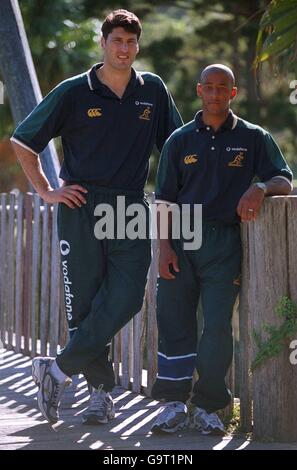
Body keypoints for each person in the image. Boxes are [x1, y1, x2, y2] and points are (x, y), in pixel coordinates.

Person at [11, 9, 182, 425]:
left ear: (137, 46)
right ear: (103, 43)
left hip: (129, 206)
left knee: (124, 299)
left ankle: (55, 369)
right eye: (116, 41)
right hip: (81, 206)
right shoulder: (74, 91)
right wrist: (48, 191)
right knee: (84, 306)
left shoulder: (153, 91)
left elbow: (176, 148)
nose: (124, 49)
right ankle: (100, 395)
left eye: (131, 42)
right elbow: (23, 141)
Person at [150, 64, 293, 435]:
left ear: (233, 93)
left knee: (216, 326)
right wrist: (164, 247)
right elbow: (163, 199)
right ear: (199, 91)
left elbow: (284, 178)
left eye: (222, 88)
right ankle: (173, 403)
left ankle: (210, 406)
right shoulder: (179, 140)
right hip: (181, 240)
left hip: (223, 244)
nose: (214, 94)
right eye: (208, 87)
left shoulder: (252, 136)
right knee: (175, 321)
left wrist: (260, 186)